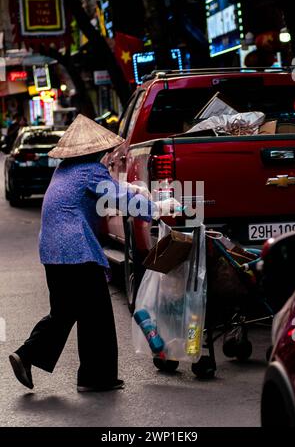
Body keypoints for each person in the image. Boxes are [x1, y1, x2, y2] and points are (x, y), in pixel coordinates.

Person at [9, 114, 180, 393]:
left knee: (64, 311)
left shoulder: (65, 169)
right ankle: (96, 377)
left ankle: (26, 355)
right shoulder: (90, 169)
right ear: (96, 150)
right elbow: (119, 199)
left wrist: (138, 191)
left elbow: (113, 190)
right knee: (96, 313)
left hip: (52, 250)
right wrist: (157, 208)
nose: (107, 154)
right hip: (75, 250)